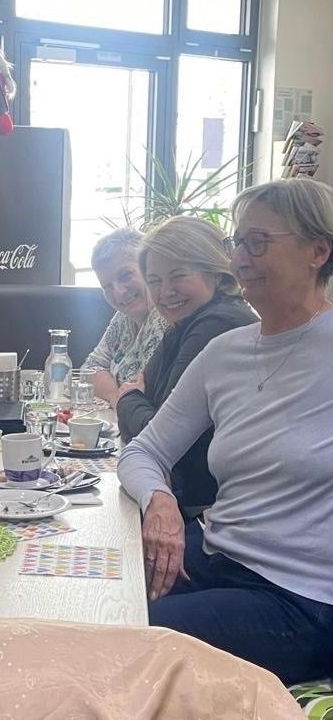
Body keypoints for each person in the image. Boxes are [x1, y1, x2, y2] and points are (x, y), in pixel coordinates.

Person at [118, 178, 333, 685]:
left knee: (118, 633)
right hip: (213, 554)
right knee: (83, 592)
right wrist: (160, 501)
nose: (240, 258)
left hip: (298, 598)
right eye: (237, 242)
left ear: (318, 251)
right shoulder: (227, 351)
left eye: (258, 242)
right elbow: (143, 450)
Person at [115, 216, 256, 519]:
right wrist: (136, 401)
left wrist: (126, 398)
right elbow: (152, 429)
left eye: (177, 276)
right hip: (187, 497)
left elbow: (156, 434)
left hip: (206, 512)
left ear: (216, 273)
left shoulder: (218, 323)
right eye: (154, 281)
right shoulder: (185, 322)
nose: (165, 292)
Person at [81, 228, 167, 407]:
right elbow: (89, 369)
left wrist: (120, 400)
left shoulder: (165, 316)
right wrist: (117, 398)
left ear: (149, 268)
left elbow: (148, 392)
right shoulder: (123, 317)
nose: (119, 293)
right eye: (107, 286)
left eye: (125, 275)